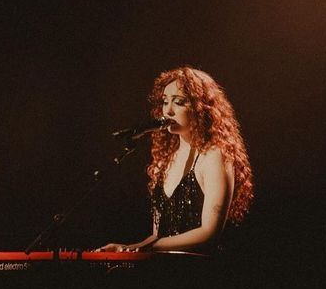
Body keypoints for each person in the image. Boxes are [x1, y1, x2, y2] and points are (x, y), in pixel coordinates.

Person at [96, 66, 253, 253]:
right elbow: (158, 235)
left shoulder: (214, 156)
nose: (167, 111)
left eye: (179, 102)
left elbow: (209, 232)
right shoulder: (163, 161)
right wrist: (127, 248)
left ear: (201, 109)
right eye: (164, 102)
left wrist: (143, 249)